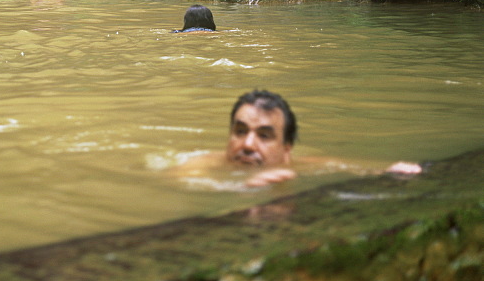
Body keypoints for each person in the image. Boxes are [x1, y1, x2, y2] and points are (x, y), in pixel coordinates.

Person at [174, 90, 423, 188]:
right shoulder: (203, 165)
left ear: (286, 150)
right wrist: (242, 186)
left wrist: (391, 172)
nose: (248, 144)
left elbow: (357, 168)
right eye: (240, 131)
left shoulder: (304, 165)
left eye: (264, 136)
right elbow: (166, 183)